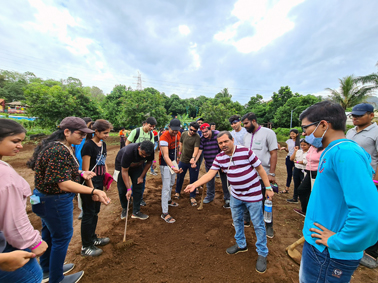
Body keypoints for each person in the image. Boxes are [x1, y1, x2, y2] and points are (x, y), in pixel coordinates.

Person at [298, 101, 378, 282]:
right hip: (320, 247)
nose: (304, 134)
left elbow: (369, 214)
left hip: (328, 254)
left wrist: (338, 241)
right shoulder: (334, 150)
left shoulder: (345, 153)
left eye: (306, 128)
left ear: (324, 125)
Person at [27, 117, 110, 283]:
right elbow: (63, 184)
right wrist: (93, 190)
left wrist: (80, 173)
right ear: (67, 132)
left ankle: (48, 269)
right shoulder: (58, 150)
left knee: (49, 234)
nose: (82, 137)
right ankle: (57, 278)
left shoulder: (58, 147)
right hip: (55, 201)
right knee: (62, 237)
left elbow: (58, 172)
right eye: (80, 133)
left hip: (42, 198)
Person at [185, 131, 274, 273]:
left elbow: (260, 169)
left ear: (232, 140)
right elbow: (210, 174)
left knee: (258, 224)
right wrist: (195, 184)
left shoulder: (245, 151)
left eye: (225, 141)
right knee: (237, 220)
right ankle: (241, 244)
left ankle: (262, 253)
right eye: (220, 143)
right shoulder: (219, 158)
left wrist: (268, 188)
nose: (223, 145)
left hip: (253, 195)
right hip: (236, 195)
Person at [0, 119, 48, 283]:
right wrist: (34, 242)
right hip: (7, 247)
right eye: (15, 141)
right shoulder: (4, 174)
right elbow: (13, 219)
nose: (20, 146)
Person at [346, 103, 378, 269]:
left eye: (359, 115)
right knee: (351, 212)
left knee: (369, 215)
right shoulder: (350, 131)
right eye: (353, 115)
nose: (355, 118)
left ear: (371, 115)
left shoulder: (376, 132)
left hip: (368, 181)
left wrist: (375, 182)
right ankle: (351, 244)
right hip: (349, 179)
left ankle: (370, 253)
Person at [242, 112, 278, 238]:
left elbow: (274, 153)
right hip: (248, 173)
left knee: (265, 200)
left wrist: (272, 173)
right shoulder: (246, 136)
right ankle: (246, 219)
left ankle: (268, 225)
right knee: (246, 195)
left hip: (263, 174)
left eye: (246, 123)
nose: (245, 126)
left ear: (253, 121)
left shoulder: (268, 133)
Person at [80, 119, 112, 257]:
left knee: (95, 212)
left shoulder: (103, 144)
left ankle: (93, 238)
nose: (107, 135)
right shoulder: (88, 146)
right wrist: (92, 190)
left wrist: (105, 178)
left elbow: (103, 162)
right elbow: (86, 171)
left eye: (108, 133)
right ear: (96, 131)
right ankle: (85, 246)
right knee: (88, 214)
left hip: (99, 182)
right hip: (89, 184)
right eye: (105, 133)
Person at [194, 123, 230, 208]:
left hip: (221, 163)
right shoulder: (203, 139)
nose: (204, 134)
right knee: (210, 181)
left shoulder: (218, 136)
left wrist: (222, 163)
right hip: (209, 163)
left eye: (206, 132)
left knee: (225, 181)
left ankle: (227, 197)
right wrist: (195, 160)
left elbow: (223, 150)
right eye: (203, 132)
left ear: (210, 129)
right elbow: (200, 150)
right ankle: (210, 196)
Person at [117, 141, 155, 220]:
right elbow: (124, 171)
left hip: (137, 167)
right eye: (142, 154)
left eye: (146, 155)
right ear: (139, 148)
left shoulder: (150, 151)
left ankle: (136, 211)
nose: (144, 157)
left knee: (138, 186)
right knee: (122, 188)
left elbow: (149, 162)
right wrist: (128, 188)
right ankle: (125, 208)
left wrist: (141, 176)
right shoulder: (128, 152)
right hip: (122, 167)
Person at [126, 117, 157, 206]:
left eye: (153, 127)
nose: (152, 128)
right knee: (130, 179)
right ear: (145, 124)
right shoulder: (136, 132)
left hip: (142, 162)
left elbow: (151, 149)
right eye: (151, 126)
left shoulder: (151, 135)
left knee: (141, 180)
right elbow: (127, 144)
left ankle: (139, 198)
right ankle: (130, 195)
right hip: (132, 161)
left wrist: (153, 161)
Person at [159, 118, 183, 223]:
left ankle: (168, 200)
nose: (174, 132)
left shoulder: (178, 134)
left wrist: (178, 158)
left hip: (173, 161)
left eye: (176, 130)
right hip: (165, 163)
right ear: (169, 127)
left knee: (172, 183)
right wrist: (173, 167)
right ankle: (164, 213)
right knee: (166, 187)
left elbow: (178, 147)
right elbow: (165, 156)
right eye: (173, 129)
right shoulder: (164, 137)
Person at [174, 121, 201, 206]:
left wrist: (193, 158)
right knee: (180, 177)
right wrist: (179, 155)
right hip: (183, 160)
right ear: (189, 127)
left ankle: (192, 196)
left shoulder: (197, 137)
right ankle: (177, 192)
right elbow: (180, 144)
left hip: (192, 161)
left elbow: (196, 149)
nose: (192, 132)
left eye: (194, 131)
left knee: (193, 178)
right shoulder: (184, 134)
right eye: (191, 130)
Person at [294, 144, 324, 217]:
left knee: (316, 193)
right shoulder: (312, 147)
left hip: (319, 173)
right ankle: (306, 210)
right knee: (302, 190)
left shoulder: (325, 148)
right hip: (309, 172)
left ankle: (317, 214)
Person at [72, 117, 92, 220]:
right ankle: (82, 209)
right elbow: (73, 149)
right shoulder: (75, 138)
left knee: (87, 187)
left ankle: (87, 207)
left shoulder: (91, 136)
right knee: (79, 188)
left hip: (87, 166)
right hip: (79, 166)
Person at [286, 139, 310, 204]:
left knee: (304, 186)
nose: (302, 146)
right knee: (296, 184)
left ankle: (305, 199)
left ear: (309, 145)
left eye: (304, 145)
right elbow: (291, 158)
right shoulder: (299, 151)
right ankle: (295, 198)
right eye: (301, 145)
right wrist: (295, 151)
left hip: (304, 170)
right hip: (297, 169)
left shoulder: (309, 153)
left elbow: (305, 162)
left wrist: (297, 161)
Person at [280, 129, 300, 194]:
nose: (292, 135)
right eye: (291, 134)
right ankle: (287, 188)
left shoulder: (299, 142)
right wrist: (285, 149)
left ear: (297, 134)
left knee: (296, 175)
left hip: (296, 160)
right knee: (289, 174)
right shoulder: (288, 141)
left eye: (293, 134)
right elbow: (288, 151)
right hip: (289, 158)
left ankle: (298, 191)